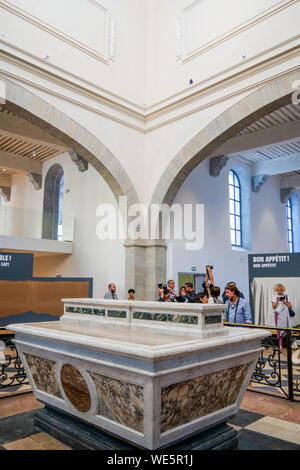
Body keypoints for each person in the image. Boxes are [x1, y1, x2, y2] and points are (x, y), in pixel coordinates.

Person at [272, 283, 292, 350]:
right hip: (278, 314)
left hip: (286, 314)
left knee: (287, 330)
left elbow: (290, 307)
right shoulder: (274, 296)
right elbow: (274, 307)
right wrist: (277, 302)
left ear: (282, 290)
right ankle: (280, 346)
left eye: (280, 290)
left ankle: (289, 345)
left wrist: (285, 302)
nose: (279, 291)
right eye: (278, 290)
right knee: (279, 330)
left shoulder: (286, 296)